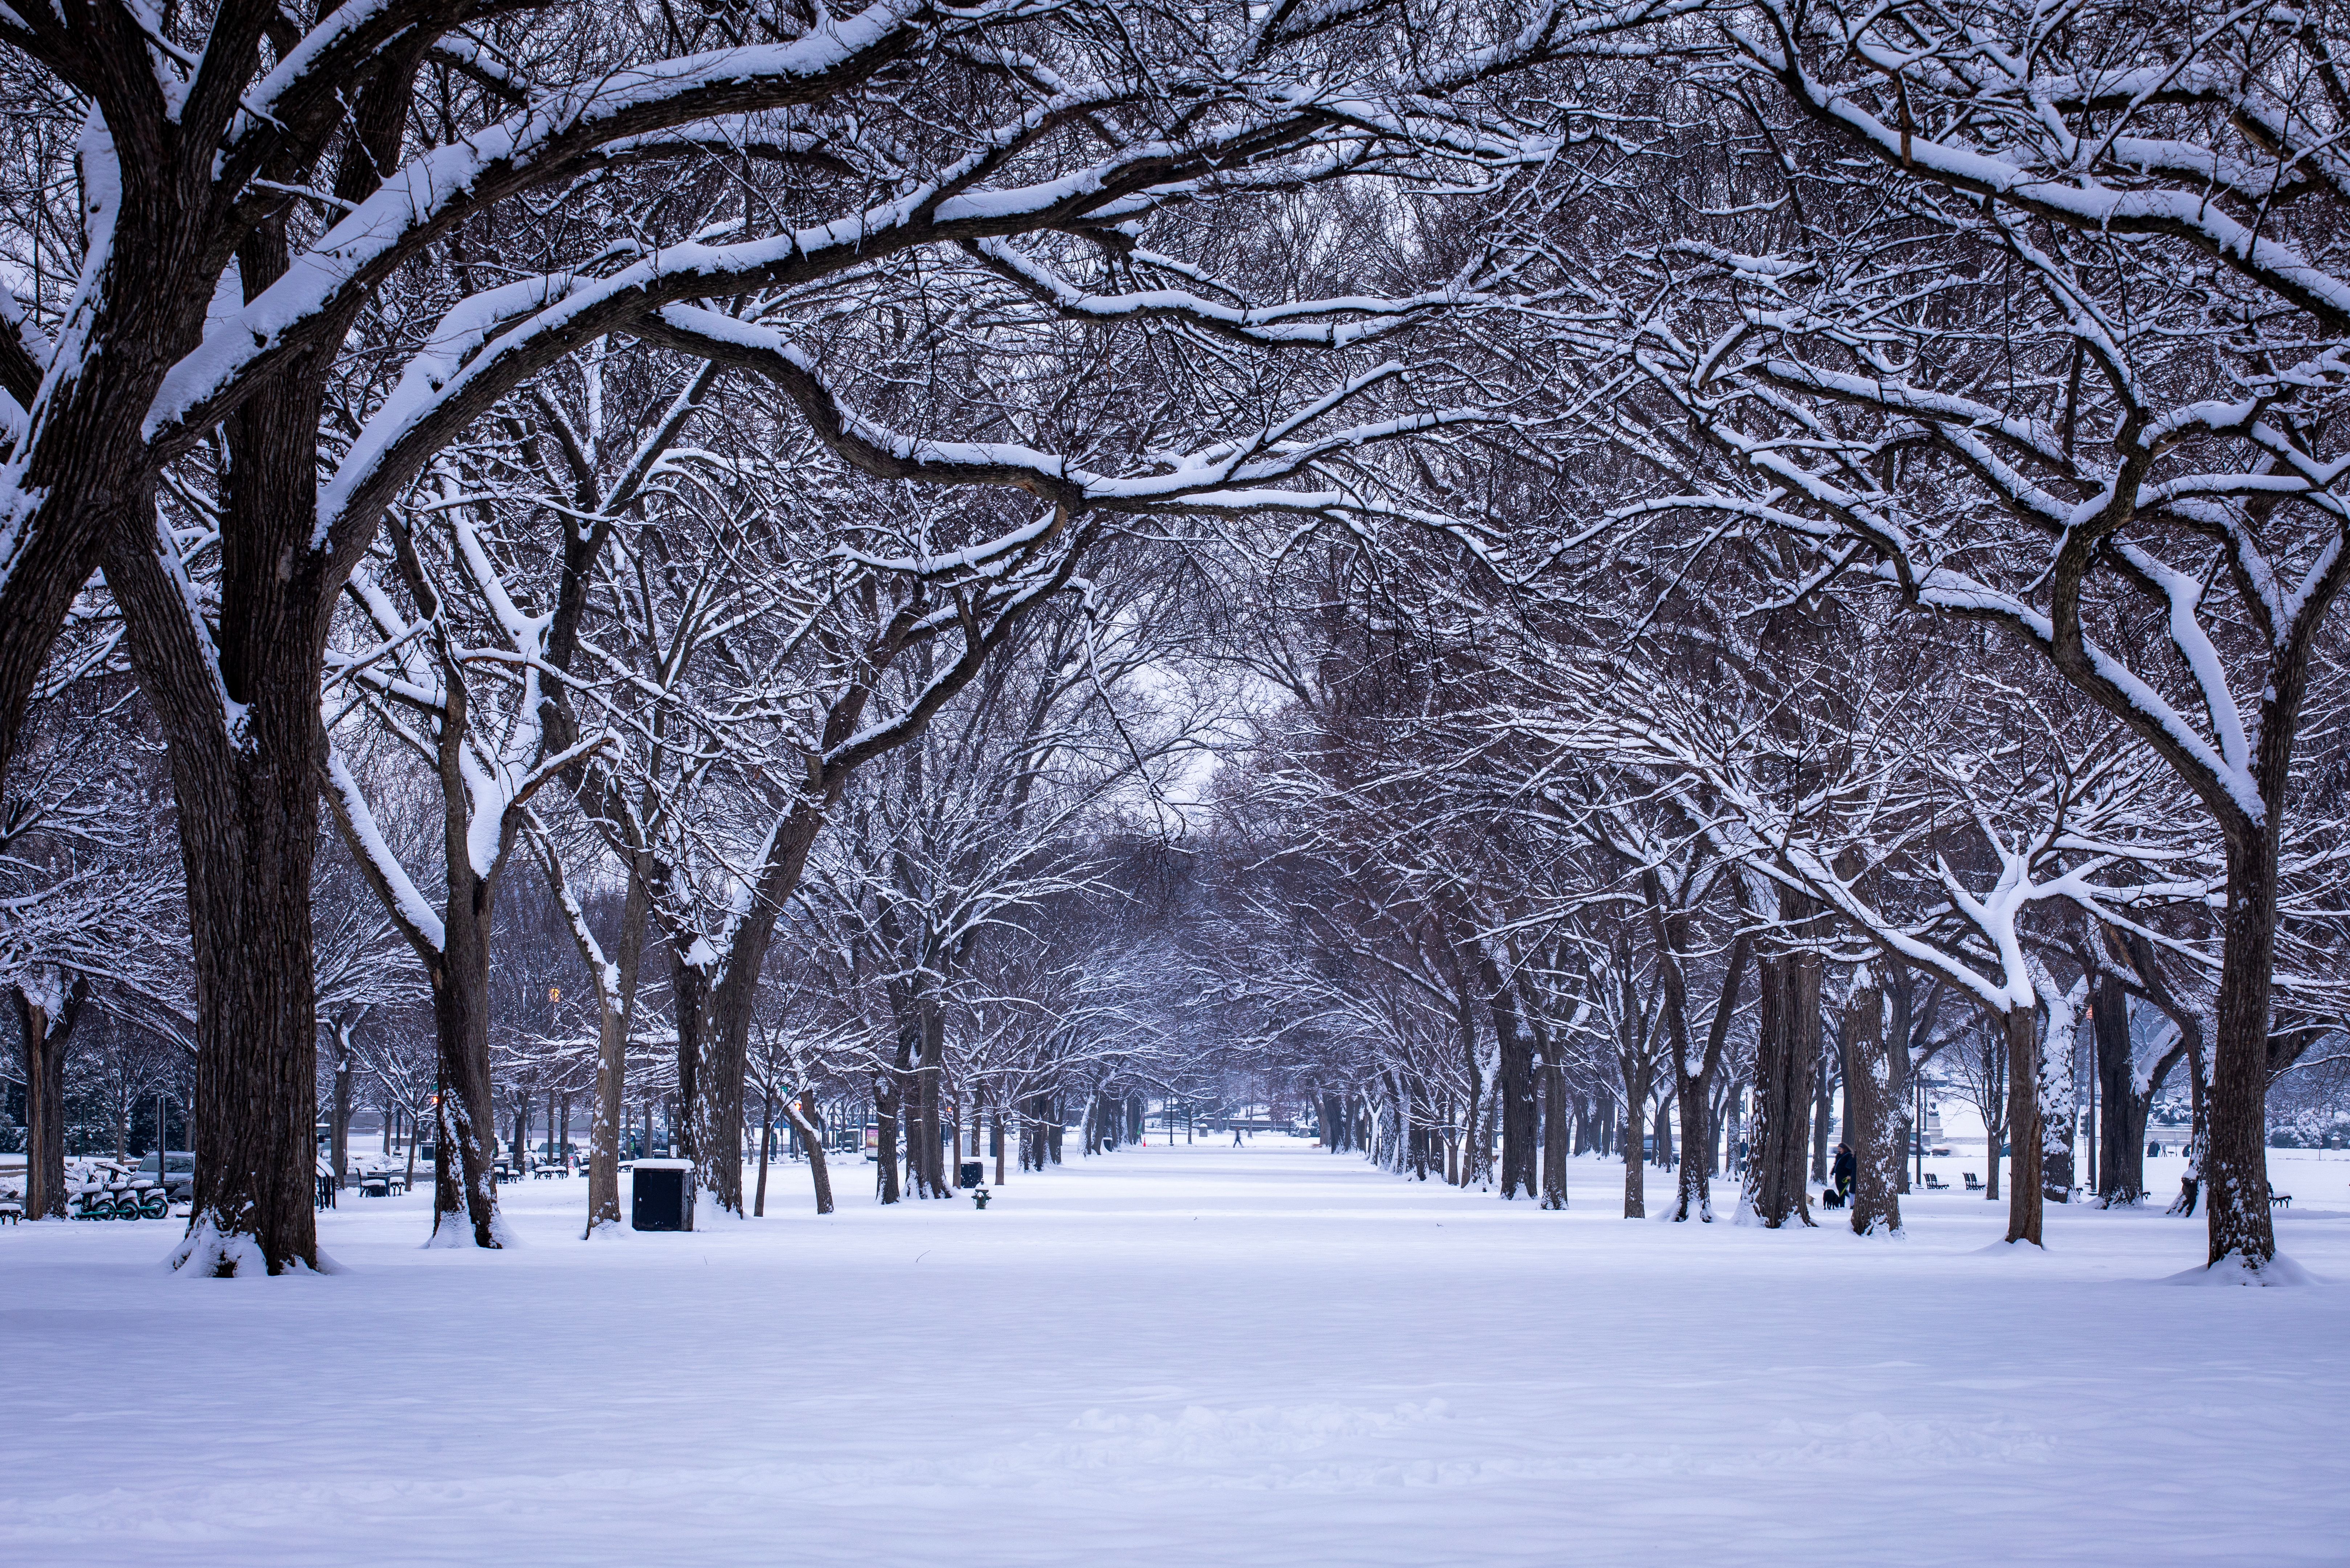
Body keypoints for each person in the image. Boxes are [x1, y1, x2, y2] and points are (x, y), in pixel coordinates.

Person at [1831, 1142, 1856, 1207]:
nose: (1839, 1150)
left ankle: (1843, 1203)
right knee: (1840, 1189)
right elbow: (1836, 1165)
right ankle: (1844, 1201)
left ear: (1844, 1149)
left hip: (1845, 1175)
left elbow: (1850, 1166)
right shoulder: (1838, 1155)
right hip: (1838, 1174)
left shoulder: (1848, 1155)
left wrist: (1850, 1175)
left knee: (1842, 1189)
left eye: (1840, 1148)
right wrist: (1832, 1172)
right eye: (1838, 1148)